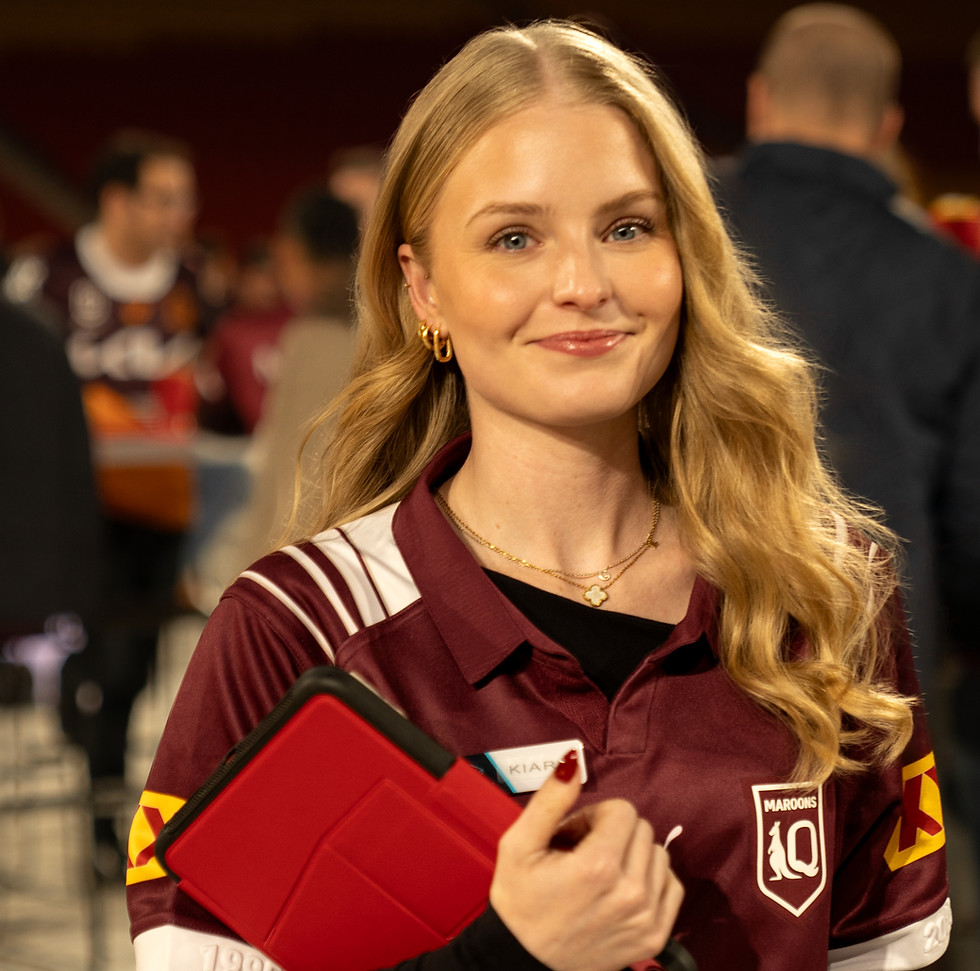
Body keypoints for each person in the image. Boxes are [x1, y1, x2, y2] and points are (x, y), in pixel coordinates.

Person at [127, 20, 949, 970]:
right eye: (514, 238)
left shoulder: (827, 591)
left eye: (627, 227)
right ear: (423, 289)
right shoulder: (294, 629)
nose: (582, 283)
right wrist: (505, 954)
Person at [713, 5, 980, 710]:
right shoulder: (952, 280)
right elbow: (971, 521)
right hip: (885, 655)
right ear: (887, 127)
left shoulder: (682, 223)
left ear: (759, 98)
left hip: (699, 630)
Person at [3, 128, 206, 875]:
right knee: (91, 670)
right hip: (72, 511)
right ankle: (96, 811)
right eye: (165, 197)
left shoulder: (193, 281)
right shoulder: (47, 279)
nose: (182, 212)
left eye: (185, 197)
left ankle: (110, 822)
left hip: (162, 512)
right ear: (117, 201)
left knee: (131, 675)